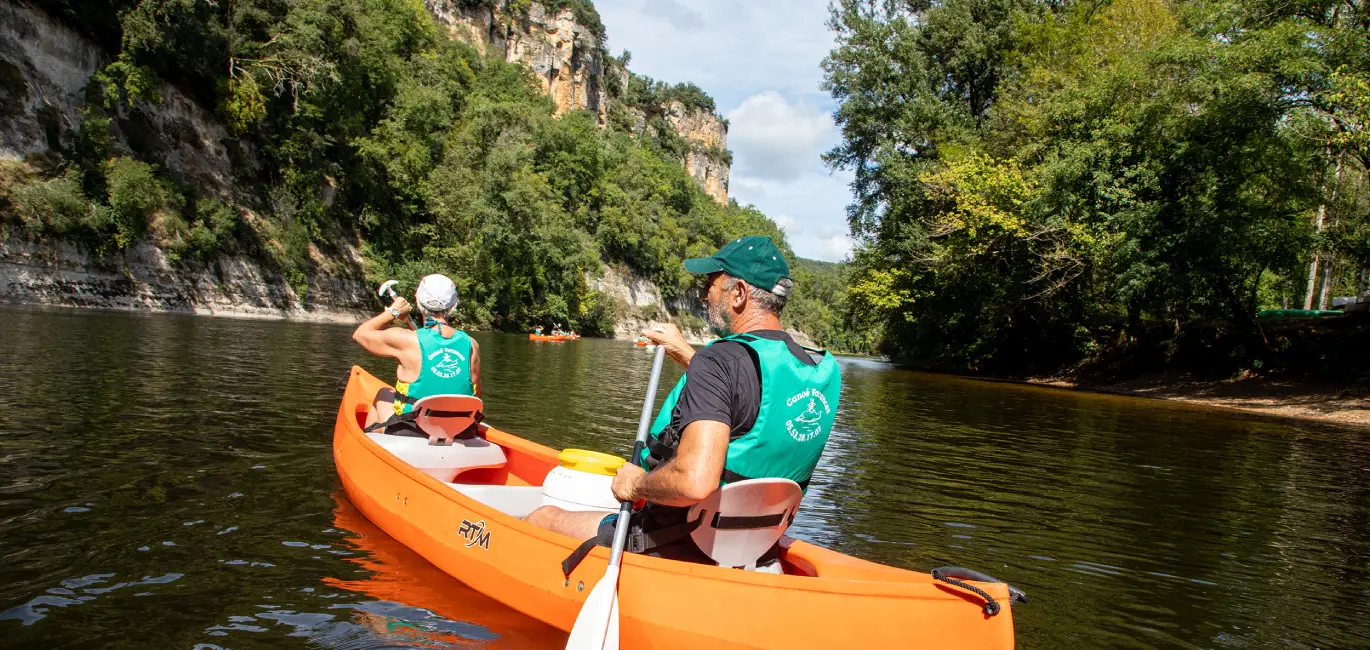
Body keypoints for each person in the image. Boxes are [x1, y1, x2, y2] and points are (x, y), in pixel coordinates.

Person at [525, 236, 842, 567]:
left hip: (675, 542)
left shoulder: (720, 361)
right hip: (754, 546)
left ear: (739, 293)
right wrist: (692, 358)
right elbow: (749, 402)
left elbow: (694, 481)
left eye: (710, 284)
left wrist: (636, 485)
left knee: (542, 518)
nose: (704, 295)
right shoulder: (818, 369)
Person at [353, 274, 482, 427]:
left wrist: (393, 311)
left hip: (412, 428)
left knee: (383, 393)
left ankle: (371, 439)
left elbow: (360, 334)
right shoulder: (471, 344)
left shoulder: (406, 339)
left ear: (418, 301)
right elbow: (476, 394)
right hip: (460, 429)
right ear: (453, 305)